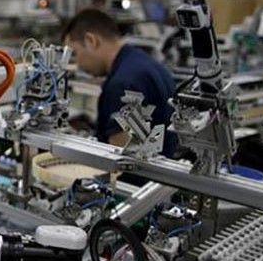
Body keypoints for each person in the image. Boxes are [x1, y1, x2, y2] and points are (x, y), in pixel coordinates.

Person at [62, 8, 178, 157]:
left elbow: (122, 160)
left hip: (140, 180)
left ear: (91, 40)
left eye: (75, 53)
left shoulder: (122, 85)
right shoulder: (146, 64)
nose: (77, 64)